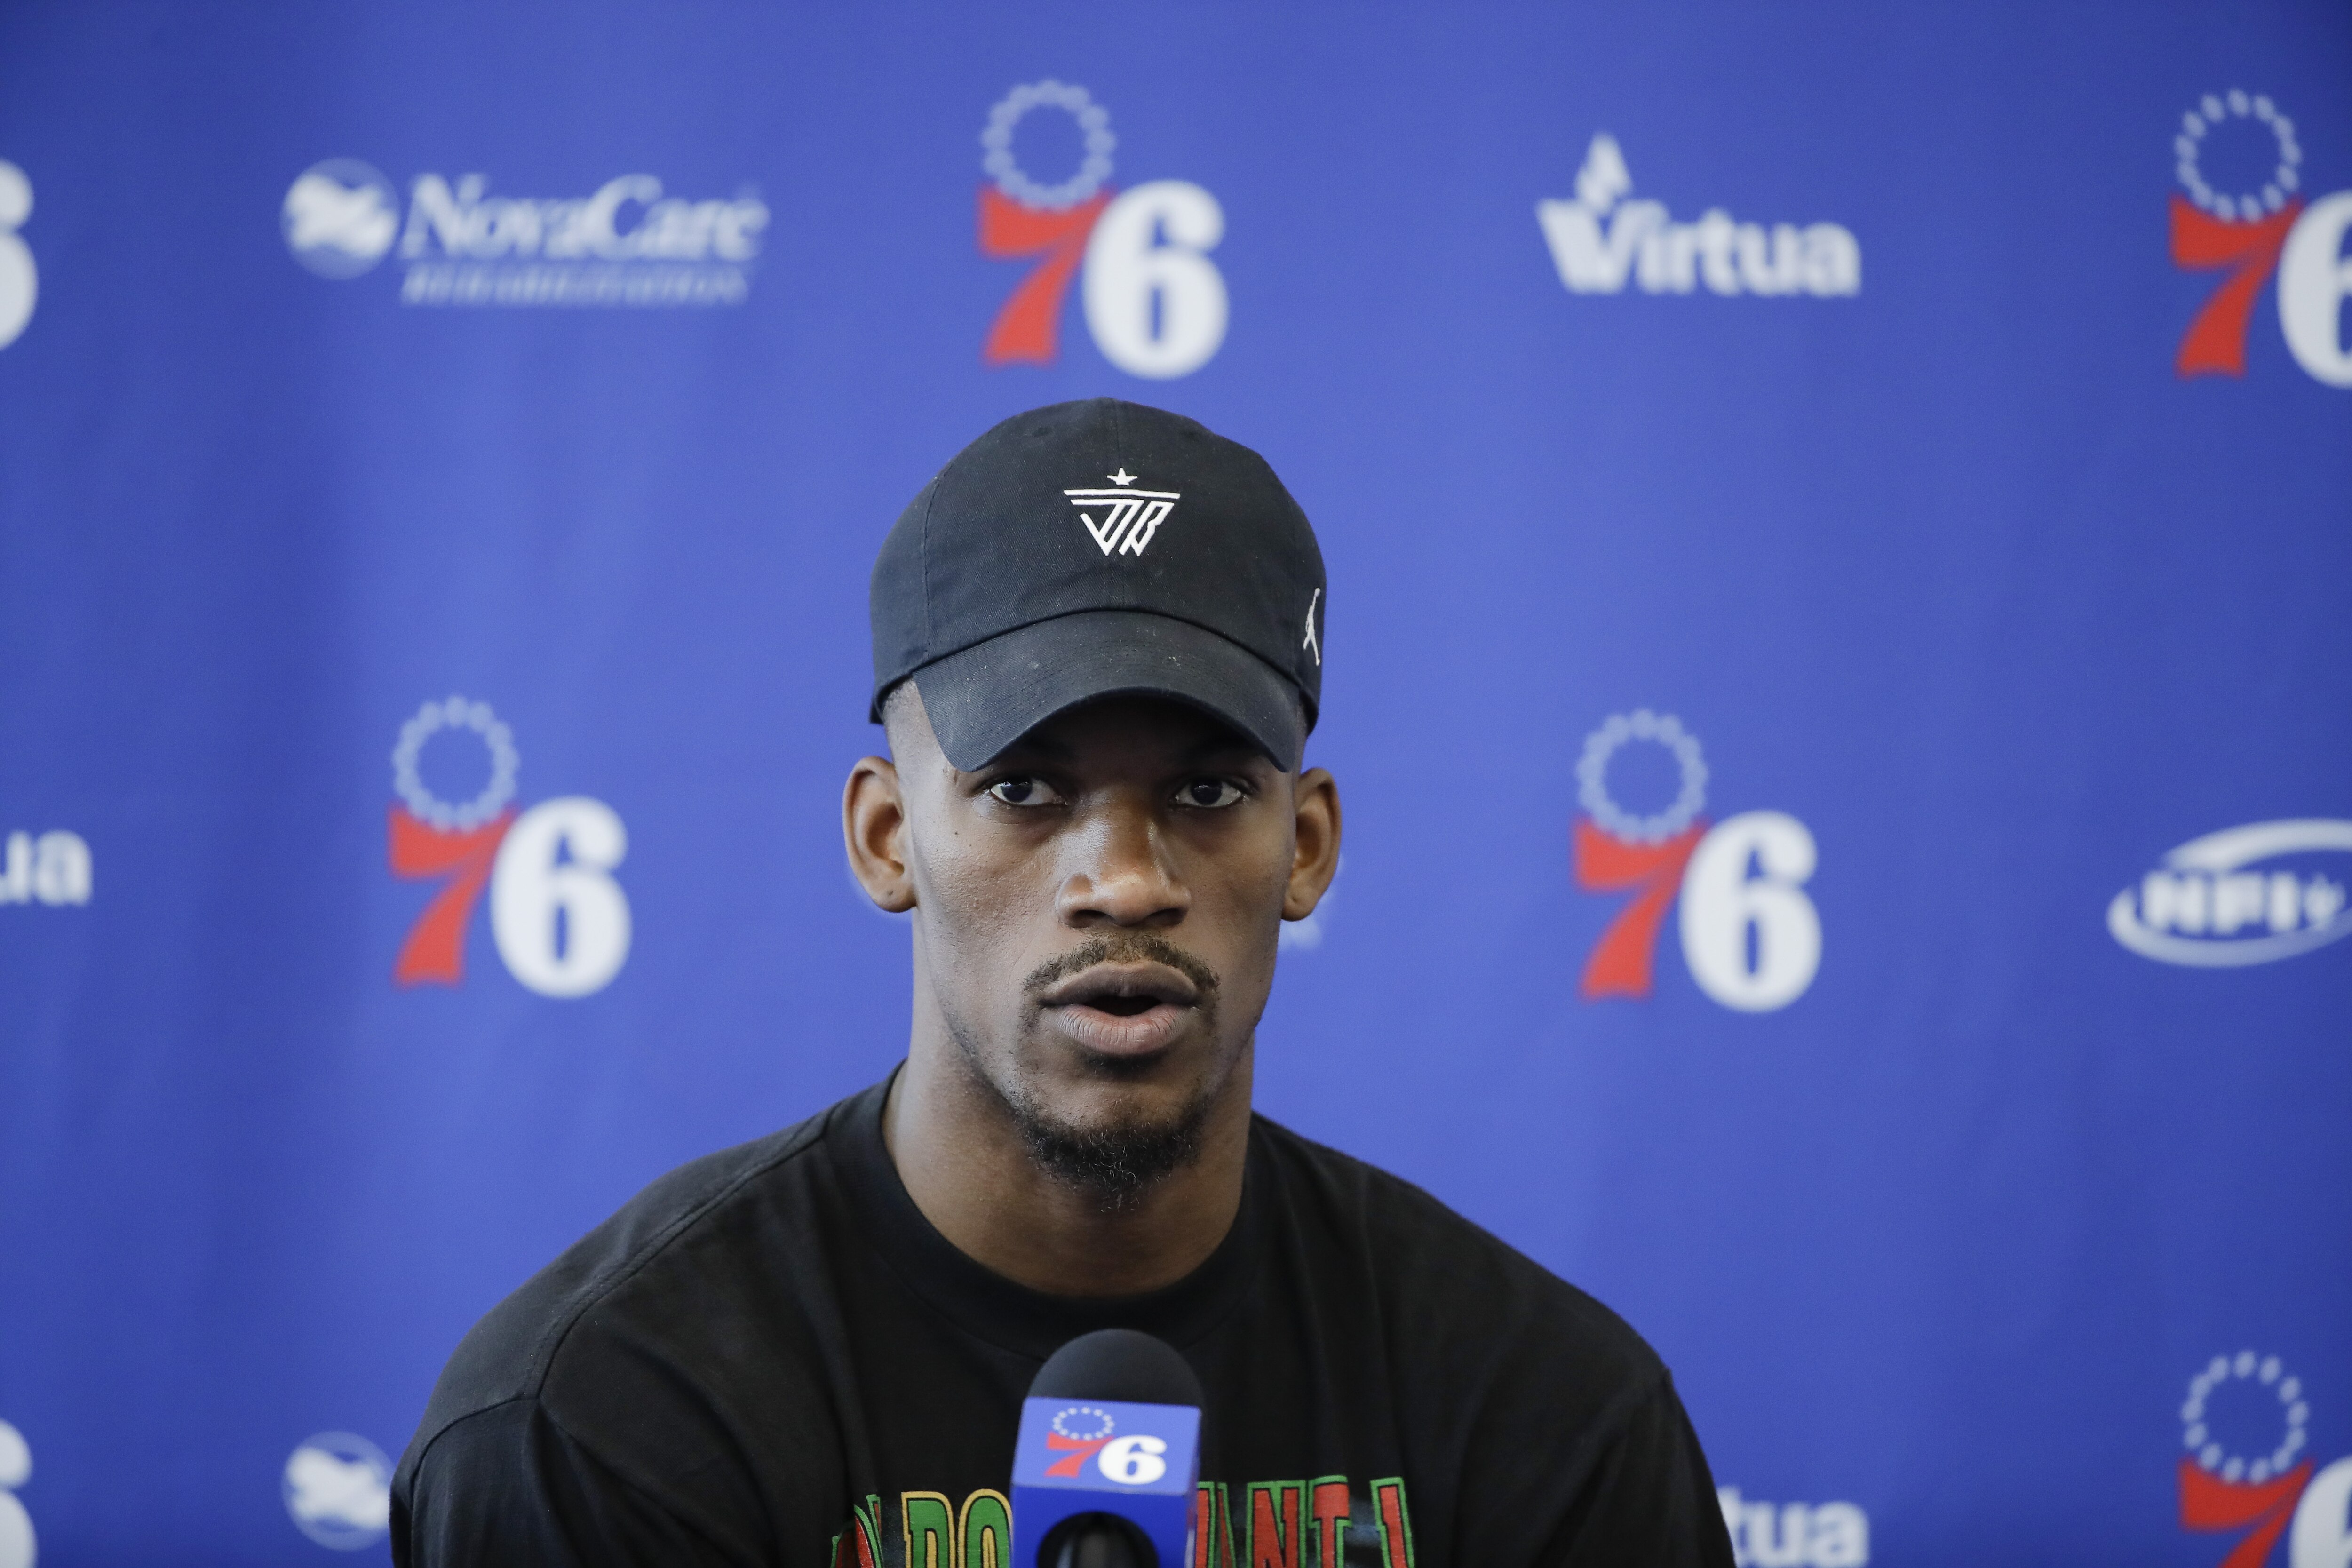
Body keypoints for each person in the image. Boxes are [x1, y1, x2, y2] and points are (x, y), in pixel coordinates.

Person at [392, 398, 1736, 1567]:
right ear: (886, 837)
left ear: (1307, 847)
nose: (1127, 879)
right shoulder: (605, 1420)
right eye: (1024, 788)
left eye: (1208, 790)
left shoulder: (1547, 1412)